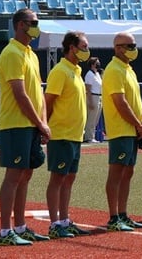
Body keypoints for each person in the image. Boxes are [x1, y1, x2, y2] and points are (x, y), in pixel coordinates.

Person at [0, 8, 50, 246]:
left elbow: (38, 91)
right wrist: (39, 123)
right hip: (16, 123)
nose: (37, 26)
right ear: (20, 25)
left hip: (30, 125)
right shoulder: (11, 53)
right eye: (33, 22)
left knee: (26, 175)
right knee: (14, 175)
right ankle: (5, 231)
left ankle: (20, 226)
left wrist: (43, 123)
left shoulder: (31, 54)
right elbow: (20, 94)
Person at [44, 31, 90, 238]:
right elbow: (49, 102)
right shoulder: (60, 71)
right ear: (72, 47)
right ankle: (55, 224)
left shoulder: (76, 71)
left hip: (74, 135)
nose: (86, 51)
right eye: (83, 47)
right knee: (58, 178)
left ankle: (64, 219)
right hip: (61, 134)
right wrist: (45, 127)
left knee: (69, 178)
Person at [102, 31, 142, 232]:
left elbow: (135, 101)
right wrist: (138, 124)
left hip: (132, 129)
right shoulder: (114, 70)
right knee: (117, 172)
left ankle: (123, 214)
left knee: (128, 172)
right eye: (130, 46)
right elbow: (120, 102)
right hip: (121, 129)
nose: (133, 49)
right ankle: (114, 217)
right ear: (118, 48)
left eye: (134, 45)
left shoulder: (128, 69)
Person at [83, 58, 102, 143]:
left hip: (99, 96)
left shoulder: (97, 74)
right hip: (93, 96)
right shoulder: (89, 74)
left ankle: (91, 136)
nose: (98, 64)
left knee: (95, 119)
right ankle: (88, 137)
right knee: (91, 118)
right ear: (92, 64)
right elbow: (88, 89)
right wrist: (90, 101)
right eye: (96, 63)